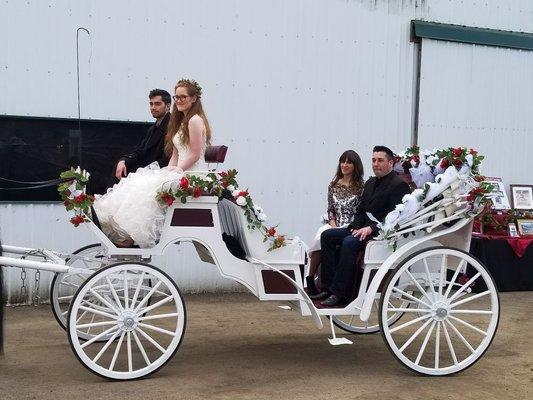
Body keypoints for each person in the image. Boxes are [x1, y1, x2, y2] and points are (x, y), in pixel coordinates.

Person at [94, 79, 211, 248]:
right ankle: (124, 230)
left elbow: (193, 154)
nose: (179, 100)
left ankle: (132, 235)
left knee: (148, 187)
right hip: (179, 171)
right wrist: (168, 171)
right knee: (141, 181)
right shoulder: (180, 123)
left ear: (194, 98)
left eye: (183, 97)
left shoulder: (194, 120)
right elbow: (175, 155)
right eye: (176, 97)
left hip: (192, 175)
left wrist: (175, 171)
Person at [311, 145, 411, 306]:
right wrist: (355, 227)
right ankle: (327, 287)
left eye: (380, 160)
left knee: (349, 242)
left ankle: (339, 293)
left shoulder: (398, 185)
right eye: (373, 160)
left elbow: (396, 217)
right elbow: (361, 210)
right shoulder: (371, 182)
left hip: (380, 233)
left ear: (391, 163)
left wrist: (371, 228)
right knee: (327, 236)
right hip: (361, 228)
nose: (376, 164)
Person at [305, 150, 364, 295]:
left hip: (351, 225)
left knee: (327, 237)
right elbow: (330, 208)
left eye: (349, 162)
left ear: (355, 165)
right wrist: (333, 224)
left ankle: (329, 286)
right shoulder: (333, 185)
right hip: (335, 223)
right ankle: (310, 277)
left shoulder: (361, 186)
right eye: (342, 161)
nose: (345, 165)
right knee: (319, 238)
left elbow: (362, 210)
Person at [114, 89, 172, 181]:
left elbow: (167, 159)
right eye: (151, 104)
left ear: (167, 106)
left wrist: (144, 171)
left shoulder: (172, 126)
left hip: (161, 174)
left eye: (157, 104)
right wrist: (123, 160)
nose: (153, 107)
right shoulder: (153, 128)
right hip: (149, 171)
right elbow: (140, 150)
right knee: (120, 167)